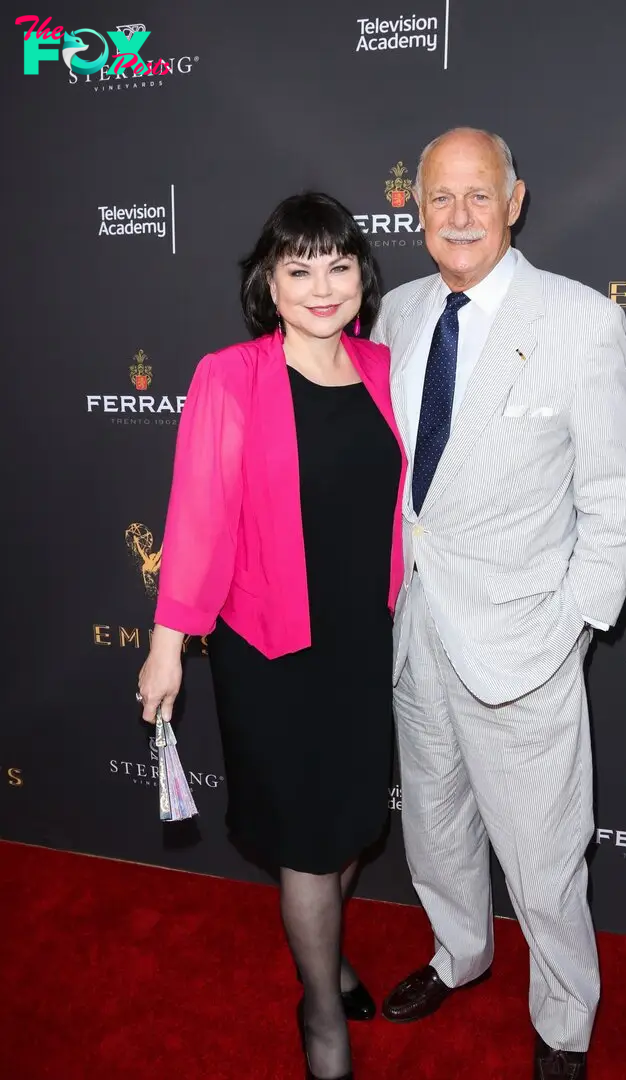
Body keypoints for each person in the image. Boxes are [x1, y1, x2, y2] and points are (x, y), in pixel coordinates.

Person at [372, 128, 626, 1078]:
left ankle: (564, 1020)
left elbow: (617, 499)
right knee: (436, 824)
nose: (457, 216)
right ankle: (459, 952)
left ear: (514, 200)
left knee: (543, 859)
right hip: (416, 631)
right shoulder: (395, 314)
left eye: (477, 196)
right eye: (438, 198)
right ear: (415, 207)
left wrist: (569, 625)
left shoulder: (579, 321)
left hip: (525, 642)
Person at [137, 191, 406, 1080]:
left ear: (361, 277)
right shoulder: (232, 375)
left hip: (366, 641)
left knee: (355, 823)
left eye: (337, 266)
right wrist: (169, 640)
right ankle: (322, 1012)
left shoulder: (384, 366)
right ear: (270, 283)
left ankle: (326, 962)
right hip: (271, 646)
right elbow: (200, 515)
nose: (321, 286)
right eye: (300, 269)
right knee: (307, 838)